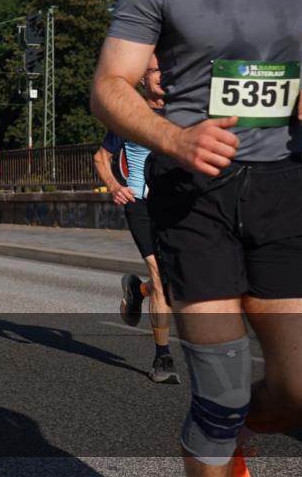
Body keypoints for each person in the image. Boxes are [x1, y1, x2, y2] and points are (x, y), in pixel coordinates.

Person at [90, 0, 302, 474]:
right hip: (192, 192)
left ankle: (225, 427)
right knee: (223, 391)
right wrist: (175, 137)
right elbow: (109, 87)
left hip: (282, 185)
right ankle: (219, 423)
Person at [93, 58, 178, 385]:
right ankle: (163, 357)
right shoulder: (130, 115)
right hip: (141, 204)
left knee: (177, 278)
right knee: (160, 275)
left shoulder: (184, 113)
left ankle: (137, 290)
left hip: (177, 206)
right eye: (155, 70)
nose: (163, 75)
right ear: (143, 78)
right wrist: (115, 187)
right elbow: (101, 158)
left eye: (166, 68)